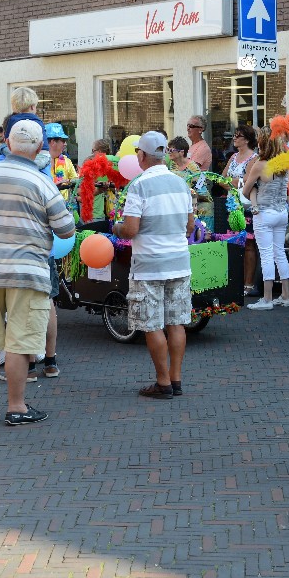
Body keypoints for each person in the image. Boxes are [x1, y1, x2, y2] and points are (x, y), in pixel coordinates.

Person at [0, 119, 74, 425]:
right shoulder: (42, 181)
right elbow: (65, 230)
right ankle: (17, 406)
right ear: (39, 148)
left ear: (8, 142)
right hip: (26, 271)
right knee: (19, 342)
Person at [113, 132, 195, 400]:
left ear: (141, 155)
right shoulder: (181, 183)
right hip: (179, 263)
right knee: (177, 322)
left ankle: (162, 383)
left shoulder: (138, 186)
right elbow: (190, 226)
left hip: (149, 265)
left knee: (151, 325)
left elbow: (131, 229)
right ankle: (177, 379)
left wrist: (116, 227)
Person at [242, 130, 289, 310]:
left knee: (266, 254)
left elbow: (245, 190)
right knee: (279, 252)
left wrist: (254, 191)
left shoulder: (260, 164)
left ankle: (267, 298)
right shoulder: (285, 164)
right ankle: (285, 295)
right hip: (281, 212)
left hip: (263, 213)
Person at [222, 124, 259, 294]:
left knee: (249, 244)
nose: (234, 139)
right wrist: (234, 181)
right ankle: (236, 281)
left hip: (246, 205)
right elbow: (221, 179)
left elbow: (248, 181)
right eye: (234, 136)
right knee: (234, 243)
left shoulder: (253, 158)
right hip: (232, 204)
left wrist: (233, 181)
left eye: (238, 136)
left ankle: (249, 283)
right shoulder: (233, 157)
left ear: (247, 139)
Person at [168, 136, 214, 229]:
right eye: (168, 149)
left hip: (198, 204)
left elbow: (203, 193)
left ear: (181, 152)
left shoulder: (193, 168)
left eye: (171, 150)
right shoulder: (173, 166)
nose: (169, 152)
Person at [47, 123, 78, 200]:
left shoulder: (67, 161)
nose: (66, 144)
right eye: (63, 141)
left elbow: (77, 186)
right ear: (53, 142)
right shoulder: (38, 163)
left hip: (64, 208)